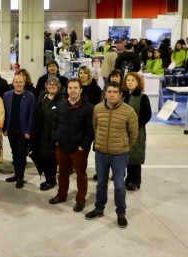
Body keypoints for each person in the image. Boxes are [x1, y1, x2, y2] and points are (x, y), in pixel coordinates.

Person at [85, 82, 138, 228]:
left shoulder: (129, 111)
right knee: (101, 184)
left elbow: (133, 134)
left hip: (119, 154)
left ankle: (121, 213)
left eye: (115, 92)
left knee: (119, 186)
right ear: (105, 93)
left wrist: (124, 146)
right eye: (109, 91)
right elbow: (95, 127)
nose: (112, 94)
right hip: (101, 153)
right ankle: (98, 209)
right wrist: (101, 143)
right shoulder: (98, 109)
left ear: (120, 94)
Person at [49, 78, 95, 212]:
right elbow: (54, 124)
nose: (72, 90)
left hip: (78, 149)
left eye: (75, 88)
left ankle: (80, 200)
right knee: (62, 173)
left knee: (81, 175)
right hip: (62, 146)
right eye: (70, 88)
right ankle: (61, 195)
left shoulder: (88, 108)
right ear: (67, 90)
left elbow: (90, 130)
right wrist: (56, 139)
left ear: (81, 90)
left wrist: (83, 145)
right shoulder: (61, 105)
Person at [31, 76, 63, 191]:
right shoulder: (42, 96)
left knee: (51, 160)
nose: (51, 86)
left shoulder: (61, 100)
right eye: (49, 84)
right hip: (41, 134)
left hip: (52, 136)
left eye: (54, 84)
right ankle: (48, 179)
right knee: (42, 158)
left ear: (58, 86)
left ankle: (51, 180)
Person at [3, 74, 35, 189]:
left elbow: (32, 115)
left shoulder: (30, 96)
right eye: (16, 82)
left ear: (24, 83)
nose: (18, 84)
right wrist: (5, 128)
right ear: (13, 83)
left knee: (21, 153)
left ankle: (20, 177)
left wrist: (28, 130)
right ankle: (16, 174)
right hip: (11, 129)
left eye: (20, 82)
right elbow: (5, 114)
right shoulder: (7, 95)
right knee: (14, 152)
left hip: (23, 130)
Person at [122, 72, 151, 191]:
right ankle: (129, 179)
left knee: (135, 156)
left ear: (138, 82)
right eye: (128, 80)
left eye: (133, 80)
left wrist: (135, 125)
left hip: (137, 131)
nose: (130, 82)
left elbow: (147, 115)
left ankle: (135, 181)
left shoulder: (142, 97)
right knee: (127, 156)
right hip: (124, 131)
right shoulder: (123, 96)